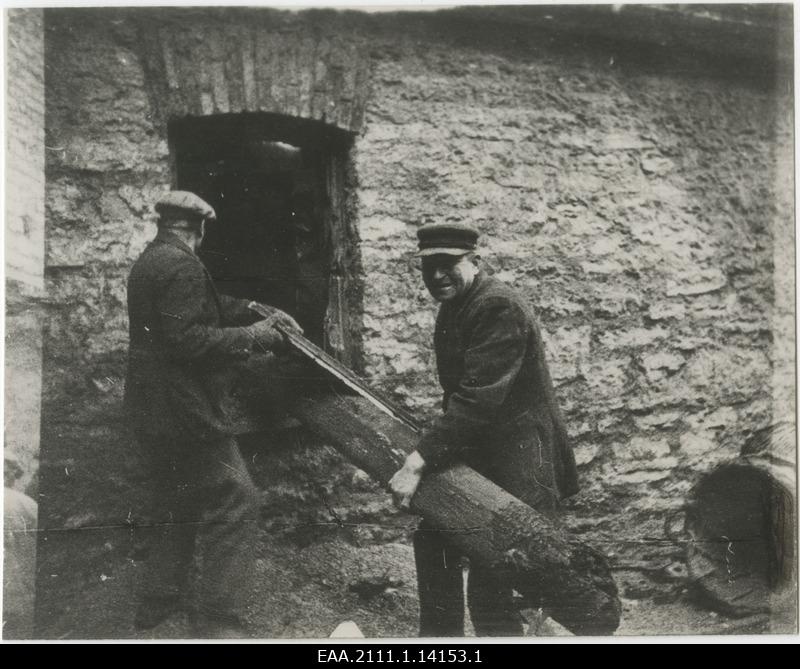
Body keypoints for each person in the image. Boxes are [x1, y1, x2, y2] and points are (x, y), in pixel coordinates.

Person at [124, 190, 301, 638]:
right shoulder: (184, 265)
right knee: (236, 497)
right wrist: (257, 336)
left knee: (174, 500)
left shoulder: (152, 261)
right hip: (185, 411)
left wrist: (257, 310)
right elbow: (187, 339)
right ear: (197, 228)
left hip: (152, 409)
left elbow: (198, 307)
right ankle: (219, 620)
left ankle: (159, 606)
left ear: (167, 224)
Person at [389, 222, 579, 637]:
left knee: (496, 575)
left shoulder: (498, 307)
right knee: (435, 536)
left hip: (518, 459)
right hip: (480, 451)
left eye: (448, 264)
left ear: (475, 260)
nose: (436, 275)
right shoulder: (458, 304)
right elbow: (460, 396)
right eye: (428, 266)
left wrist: (418, 461)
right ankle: (440, 642)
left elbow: (477, 400)